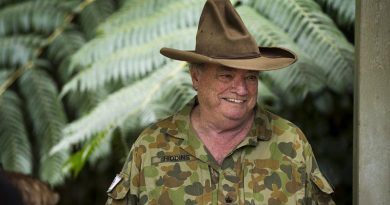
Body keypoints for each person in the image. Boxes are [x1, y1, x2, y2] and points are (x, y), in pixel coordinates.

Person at [105, 0, 335, 204]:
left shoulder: (290, 143)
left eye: (251, 77)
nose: (242, 89)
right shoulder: (151, 147)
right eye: (226, 75)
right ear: (196, 77)